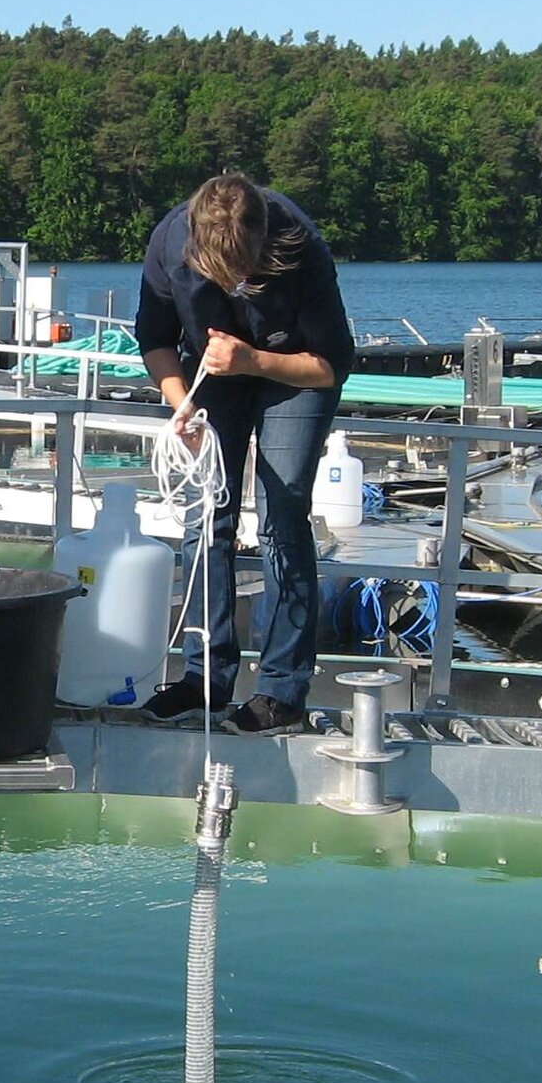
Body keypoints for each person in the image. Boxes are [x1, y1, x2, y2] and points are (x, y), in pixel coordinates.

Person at [133, 172, 356, 733]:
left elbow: (330, 366)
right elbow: (155, 339)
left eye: (243, 272)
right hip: (210, 376)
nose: (233, 283)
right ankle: (203, 680)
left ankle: (282, 690)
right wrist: (181, 405)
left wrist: (253, 360)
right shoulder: (168, 243)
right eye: (218, 273)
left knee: (282, 514)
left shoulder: (300, 245)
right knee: (205, 517)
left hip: (292, 373)